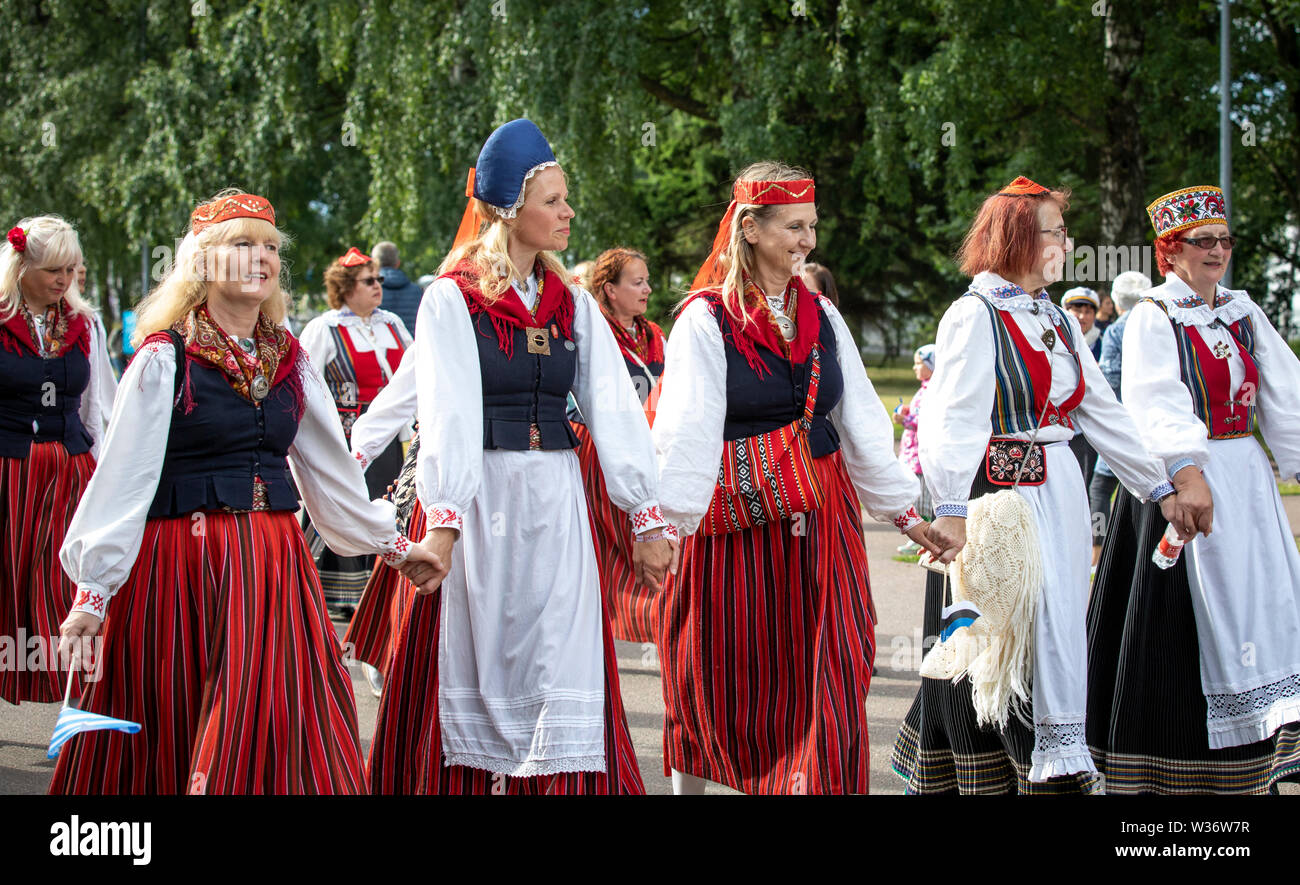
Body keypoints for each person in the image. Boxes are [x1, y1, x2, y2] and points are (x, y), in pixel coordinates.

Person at [50, 190, 440, 794]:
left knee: (283, 719)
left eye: (269, 247)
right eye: (242, 245)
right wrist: (92, 593)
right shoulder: (163, 357)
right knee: (179, 718)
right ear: (204, 262)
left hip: (273, 562)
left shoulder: (289, 359)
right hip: (183, 564)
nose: (261, 257)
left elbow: (330, 475)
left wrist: (392, 546)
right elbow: (124, 478)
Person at [366, 119, 676, 794]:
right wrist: (443, 526)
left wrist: (647, 518)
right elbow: (447, 412)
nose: (568, 212)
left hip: (556, 496)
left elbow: (613, 408)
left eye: (567, 200)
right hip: (481, 498)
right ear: (510, 208)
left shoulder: (572, 305)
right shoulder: (454, 298)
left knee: (559, 650)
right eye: (554, 200)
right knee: (474, 653)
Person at [890, 176, 1197, 794]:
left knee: (1054, 630)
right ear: (1020, 239)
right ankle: (996, 775)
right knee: (997, 642)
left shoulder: (1052, 317)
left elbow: (1102, 411)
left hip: (1056, 492)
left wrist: (1160, 487)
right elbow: (953, 416)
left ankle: (1052, 766)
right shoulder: (975, 314)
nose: (1066, 242)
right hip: (996, 500)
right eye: (1056, 231)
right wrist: (949, 509)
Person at [654, 162, 937, 795]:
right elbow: (686, 432)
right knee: (725, 668)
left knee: (831, 667)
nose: (807, 240)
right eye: (793, 226)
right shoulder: (705, 321)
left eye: (812, 226)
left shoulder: (824, 318)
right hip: (738, 526)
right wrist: (665, 525)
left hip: (824, 517)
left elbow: (860, 419)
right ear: (750, 229)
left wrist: (906, 515)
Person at [1087, 185, 1300, 794]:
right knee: (1182, 623)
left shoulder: (1240, 309)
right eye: (1201, 241)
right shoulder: (1154, 315)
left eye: (1223, 240)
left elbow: (1284, 393)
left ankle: (1256, 752)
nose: (1216, 251)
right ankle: (1175, 771)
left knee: (1263, 607)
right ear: (1170, 250)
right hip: (1181, 481)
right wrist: (1185, 471)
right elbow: (1154, 399)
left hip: (1247, 480)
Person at [0, 216, 116, 705]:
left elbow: (100, 408)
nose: (64, 281)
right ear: (21, 265)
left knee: (66, 583)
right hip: (7, 473)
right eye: (53, 270)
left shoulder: (83, 323)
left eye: (70, 269)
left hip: (69, 472)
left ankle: (76, 705)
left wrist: (111, 475)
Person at [298, 247, 411, 620]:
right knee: (347, 504)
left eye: (378, 279)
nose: (378, 286)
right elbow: (306, 387)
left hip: (391, 438)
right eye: (368, 281)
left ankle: (382, 588)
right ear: (346, 288)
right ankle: (340, 592)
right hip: (345, 439)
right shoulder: (324, 329)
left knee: (388, 504)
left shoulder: (392, 323)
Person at [569, 247, 666, 643]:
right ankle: (604, 626)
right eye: (636, 282)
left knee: (642, 538)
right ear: (610, 289)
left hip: (644, 446)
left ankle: (650, 622)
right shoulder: (594, 334)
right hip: (597, 447)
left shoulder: (654, 335)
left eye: (646, 281)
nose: (647, 290)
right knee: (607, 541)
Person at [1088, 270, 1152, 561]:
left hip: (1126, 421)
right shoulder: (1160, 321)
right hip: (1157, 422)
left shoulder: (1115, 331)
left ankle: (1099, 551)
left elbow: (1109, 378)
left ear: (1115, 299)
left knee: (1101, 486)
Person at [894, 343, 935, 555]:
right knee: (914, 496)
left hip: (922, 457)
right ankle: (919, 537)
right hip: (913, 455)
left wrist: (905, 419)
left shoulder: (933, 390)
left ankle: (924, 538)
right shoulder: (924, 388)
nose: (914, 368)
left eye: (919, 364)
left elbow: (927, 420)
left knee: (922, 499)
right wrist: (909, 411)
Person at [1061, 287, 1102, 495]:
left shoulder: (1102, 342)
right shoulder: (1056, 340)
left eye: (1088, 311)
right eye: (1076, 310)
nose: (1082, 317)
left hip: (1086, 431)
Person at [372, 241, 422, 335]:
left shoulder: (370, 291)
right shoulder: (417, 291)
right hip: (412, 346)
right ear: (398, 263)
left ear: (375, 263)